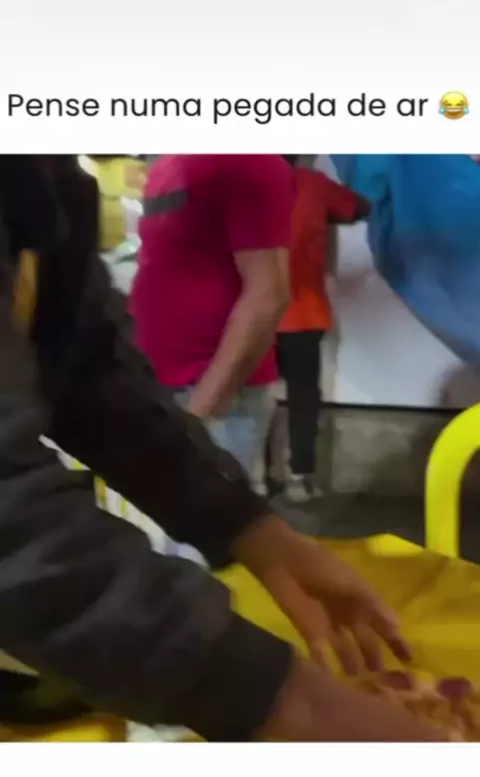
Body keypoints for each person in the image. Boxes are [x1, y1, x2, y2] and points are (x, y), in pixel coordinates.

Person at [0, 155, 444, 742]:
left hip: (202, 392)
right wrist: (282, 700)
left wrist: (243, 522)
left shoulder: (59, 176)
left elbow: (86, 363)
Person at [131, 154, 294, 495]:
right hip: (160, 390)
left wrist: (199, 413)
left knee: (211, 522)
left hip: (213, 402)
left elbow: (269, 294)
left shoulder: (246, 160)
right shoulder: (166, 165)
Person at [273, 156, 369, 501]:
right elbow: (359, 207)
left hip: (248, 313)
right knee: (303, 397)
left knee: (250, 399)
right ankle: (299, 477)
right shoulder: (312, 184)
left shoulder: (236, 186)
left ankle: (252, 479)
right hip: (302, 313)